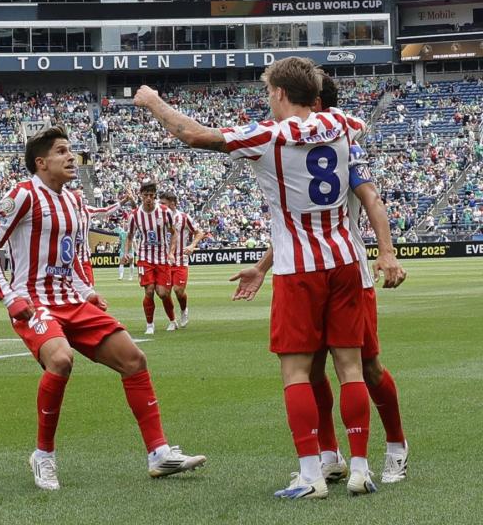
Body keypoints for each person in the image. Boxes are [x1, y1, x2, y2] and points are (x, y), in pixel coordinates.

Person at [133, 56, 375, 498]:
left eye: (269, 92)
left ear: (280, 94)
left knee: (297, 372)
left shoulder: (268, 136)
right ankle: (359, 468)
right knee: (350, 367)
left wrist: (153, 102)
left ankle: (310, 475)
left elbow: (191, 134)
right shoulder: (346, 122)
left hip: (299, 267)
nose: (268, 100)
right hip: (344, 259)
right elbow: (350, 133)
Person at [0, 125, 205, 491]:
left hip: (71, 299)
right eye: (62, 151)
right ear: (41, 162)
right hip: (34, 302)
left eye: (71, 150)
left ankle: (159, 453)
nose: (71, 157)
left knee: (133, 359)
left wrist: (86, 291)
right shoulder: (22, 195)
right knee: (61, 360)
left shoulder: (75, 200)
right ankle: (44, 456)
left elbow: (76, 253)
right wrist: (9, 298)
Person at [230, 73, 409, 485]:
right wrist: (262, 266)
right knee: (313, 370)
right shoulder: (311, 139)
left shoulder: (344, 143)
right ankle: (331, 455)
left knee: (367, 367)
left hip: (347, 269)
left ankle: (396, 445)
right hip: (318, 264)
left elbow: (372, 200)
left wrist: (386, 252)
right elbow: (298, 223)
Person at [124, 179, 179, 335]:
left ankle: (172, 320)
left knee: (163, 293)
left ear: (155, 196)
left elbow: (173, 233)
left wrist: (171, 252)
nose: (148, 198)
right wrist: (128, 253)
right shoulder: (135, 215)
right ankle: (150, 325)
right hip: (145, 257)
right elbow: (130, 236)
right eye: (145, 195)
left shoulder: (165, 212)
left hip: (162, 258)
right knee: (149, 291)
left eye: (151, 195)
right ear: (141, 195)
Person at [159, 192, 206, 329]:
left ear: (172, 204)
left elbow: (199, 233)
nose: (160, 206)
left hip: (180, 260)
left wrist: (192, 245)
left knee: (178, 290)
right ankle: (172, 321)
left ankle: (184, 310)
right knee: (164, 293)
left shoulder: (183, 218)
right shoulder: (157, 217)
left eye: (163, 203)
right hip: (163, 261)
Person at [73, 187, 132, 286]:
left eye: (81, 196)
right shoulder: (64, 211)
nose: (80, 198)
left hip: (84, 258)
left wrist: (124, 201)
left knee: (89, 287)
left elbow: (106, 210)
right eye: (78, 196)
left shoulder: (88, 210)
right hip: (70, 260)